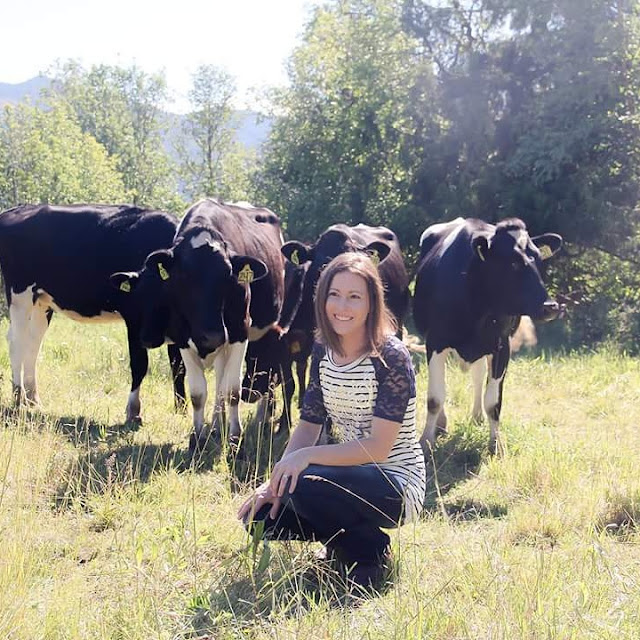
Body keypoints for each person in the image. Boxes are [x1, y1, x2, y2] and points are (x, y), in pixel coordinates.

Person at [237, 251, 426, 592]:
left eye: (355, 297)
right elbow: (309, 425)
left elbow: (379, 449)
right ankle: (345, 542)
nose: (343, 306)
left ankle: (370, 555)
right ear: (322, 299)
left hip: (395, 484)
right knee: (260, 518)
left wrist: (304, 459)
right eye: (334, 295)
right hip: (348, 475)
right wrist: (274, 482)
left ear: (372, 302)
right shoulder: (322, 350)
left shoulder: (391, 357)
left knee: (306, 482)